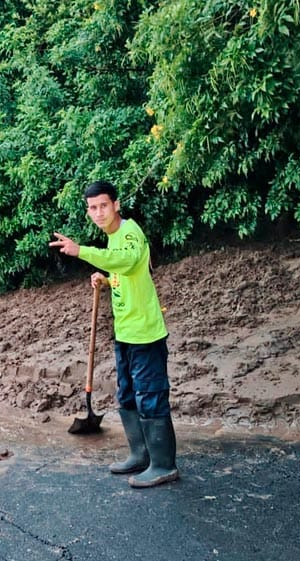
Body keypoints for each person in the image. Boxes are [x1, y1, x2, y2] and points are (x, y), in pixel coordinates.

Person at [49, 180, 178, 488]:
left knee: (150, 396)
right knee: (128, 394)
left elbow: (128, 261)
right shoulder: (112, 238)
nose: (98, 213)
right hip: (125, 333)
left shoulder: (129, 232)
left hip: (145, 333)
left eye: (103, 206)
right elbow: (125, 273)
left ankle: (164, 465)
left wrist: (82, 251)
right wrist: (107, 280)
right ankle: (140, 454)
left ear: (116, 205)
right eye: (92, 208)